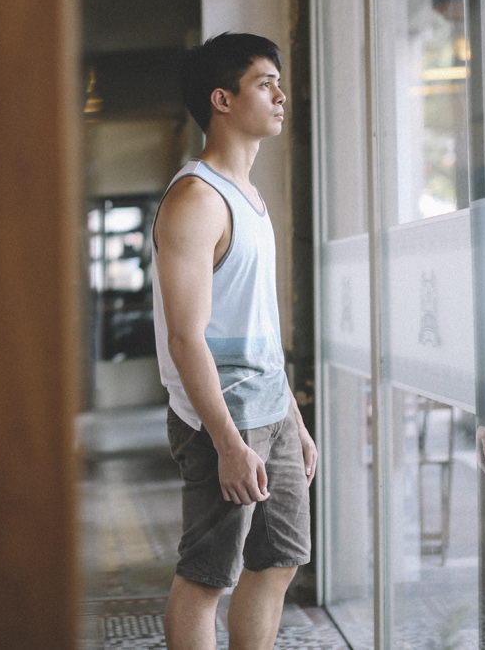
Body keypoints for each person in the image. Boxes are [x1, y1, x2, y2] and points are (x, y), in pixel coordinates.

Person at [150, 32, 317, 650]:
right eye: (263, 83)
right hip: (222, 419)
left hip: (268, 410)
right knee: (206, 577)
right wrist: (225, 443)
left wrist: (293, 421)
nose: (279, 95)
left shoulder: (249, 195)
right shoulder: (196, 200)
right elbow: (186, 337)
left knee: (279, 561)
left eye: (277, 82)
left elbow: (261, 330)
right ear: (222, 99)